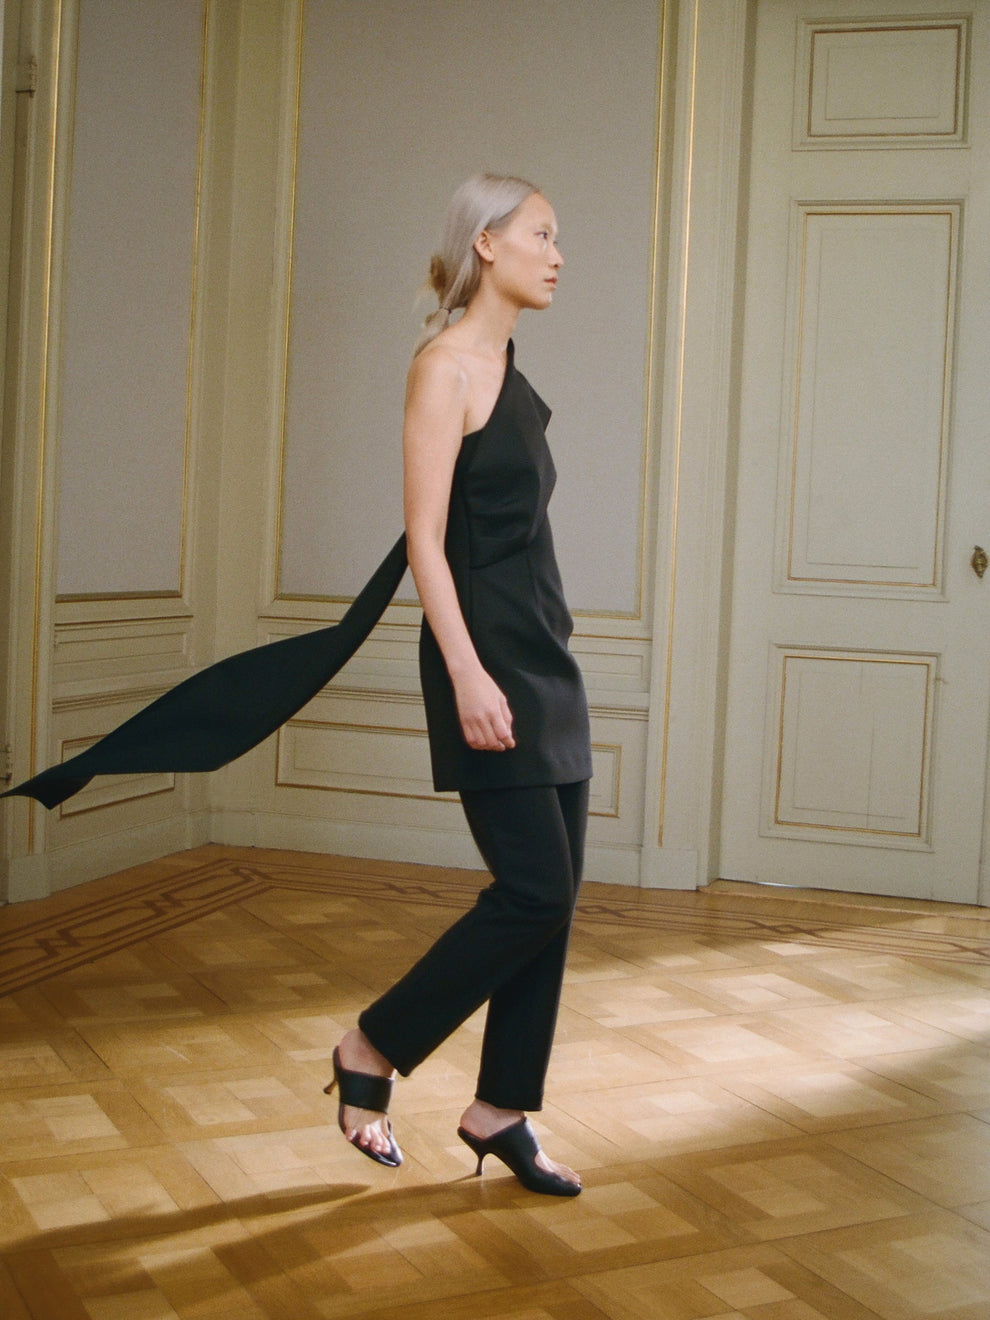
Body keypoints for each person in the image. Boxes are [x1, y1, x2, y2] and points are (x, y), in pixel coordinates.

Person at [325, 174, 593, 1197]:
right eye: (541, 234)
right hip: (486, 664)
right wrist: (469, 674)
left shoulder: (507, 364)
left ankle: (501, 1110)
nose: (557, 252)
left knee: (554, 901)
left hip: (545, 660)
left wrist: (542, 653)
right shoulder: (443, 368)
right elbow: (426, 545)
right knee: (531, 891)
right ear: (486, 244)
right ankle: (370, 1047)